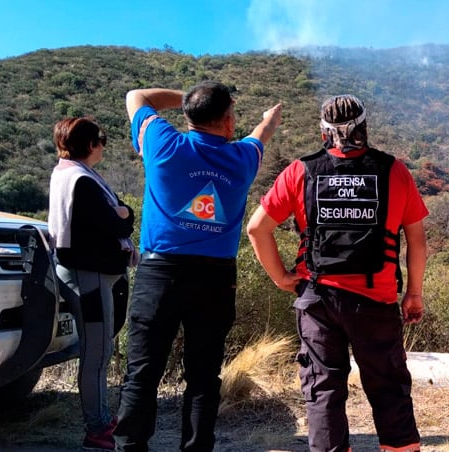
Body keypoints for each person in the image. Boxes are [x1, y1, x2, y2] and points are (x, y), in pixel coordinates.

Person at [247, 94, 428, 452]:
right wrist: (414, 294)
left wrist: (282, 278)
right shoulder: (393, 171)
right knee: (389, 389)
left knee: (323, 392)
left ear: (323, 132)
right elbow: (417, 242)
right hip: (375, 301)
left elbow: (257, 229)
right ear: (364, 127)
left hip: (318, 300)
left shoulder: (302, 171)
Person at [112, 81, 281, 452]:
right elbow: (262, 133)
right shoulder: (242, 159)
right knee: (204, 378)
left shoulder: (162, 142)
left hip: (160, 274)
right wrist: (270, 119)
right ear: (228, 122)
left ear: (189, 116)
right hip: (215, 279)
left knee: (142, 374)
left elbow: (135, 97)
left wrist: (186, 99)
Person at [48, 117, 137, 451]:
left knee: (98, 350)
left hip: (85, 272)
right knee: (96, 352)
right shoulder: (81, 181)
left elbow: (118, 217)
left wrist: (122, 213)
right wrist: (123, 214)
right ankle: (97, 428)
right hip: (88, 276)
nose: (103, 144)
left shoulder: (68, 174)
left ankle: (99, 420)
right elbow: (118, 225)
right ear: (88, 144)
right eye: (100, 138)